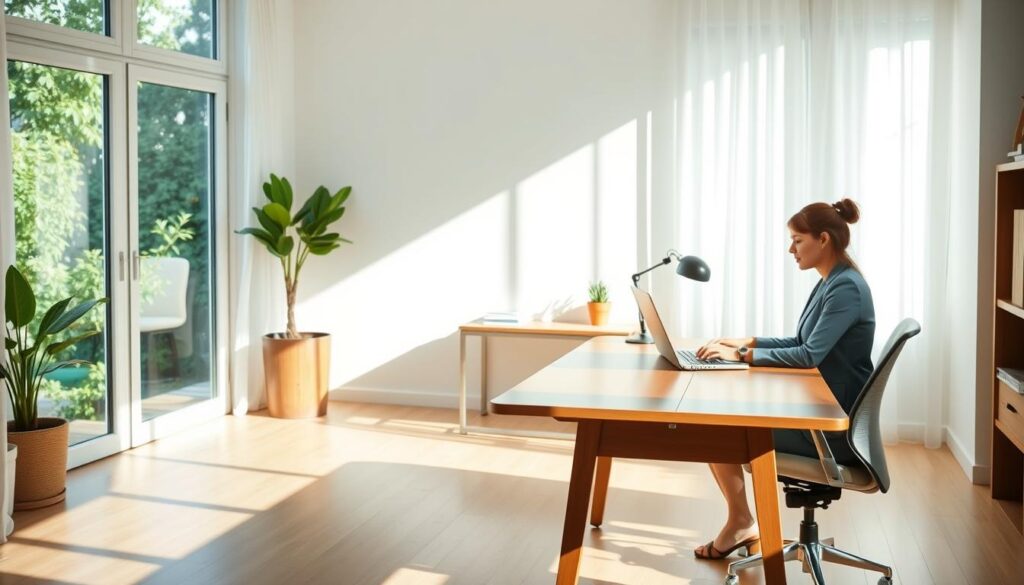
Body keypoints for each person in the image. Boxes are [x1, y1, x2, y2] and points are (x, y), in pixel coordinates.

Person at [691, 197, 875, 560]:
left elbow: (808, 356)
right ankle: (741, 521)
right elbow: (800, 341)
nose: (791, 249)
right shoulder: (831, 281)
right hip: (818, 412)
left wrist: (742, 357)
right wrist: (746, 342)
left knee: (716, 428)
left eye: (797, 239)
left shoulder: (846, 288)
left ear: (823, 239)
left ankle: (741, 522)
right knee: (719, 421)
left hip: (831, 433)